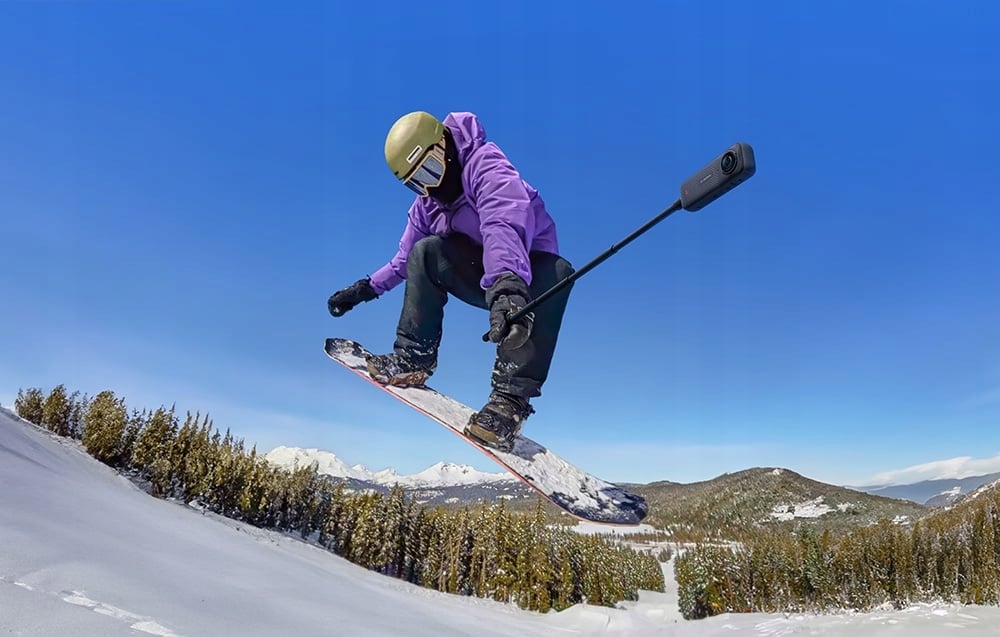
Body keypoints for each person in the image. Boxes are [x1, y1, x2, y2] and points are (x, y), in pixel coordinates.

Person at [327, 111, 574, 452]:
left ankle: (509, 402)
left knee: (559, 272)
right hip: (485, 277)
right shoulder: (428, 206)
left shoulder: (485, 164)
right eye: (416, 183)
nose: (429, 187)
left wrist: (508, 287)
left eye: (430, 170)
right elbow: (403, 259)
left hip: (526, 276)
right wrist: (364, 289)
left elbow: (502, 222)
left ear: (444, 146)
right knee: (426, 252)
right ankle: (415, 357)